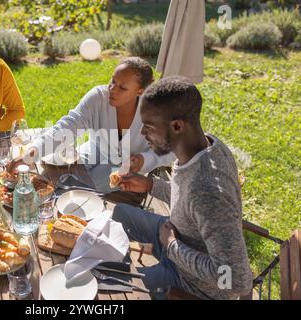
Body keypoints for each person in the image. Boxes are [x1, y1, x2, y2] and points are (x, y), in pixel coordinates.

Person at [113, 76, 253, 300]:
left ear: (177, 126)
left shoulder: (208, 191)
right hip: (178, 235)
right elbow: (190, 200)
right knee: (118, 213)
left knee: (115, 287)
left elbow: (235, 279)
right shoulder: (205, 145)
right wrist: (150, 185)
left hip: (189, 283)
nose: (142, 133)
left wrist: (171, 246)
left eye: (148, 127)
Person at [13, 57, 175, 175]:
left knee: (85, 188)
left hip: (128, 171)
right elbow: (68, 126)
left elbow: (173, 149)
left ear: (140, 91)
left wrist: (144, 160)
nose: (112, 89)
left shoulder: (156, 110)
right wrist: (31, 153)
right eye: (112, 81)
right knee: (56, 177)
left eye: (122, 87)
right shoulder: (98, 96)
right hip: (95, 152)